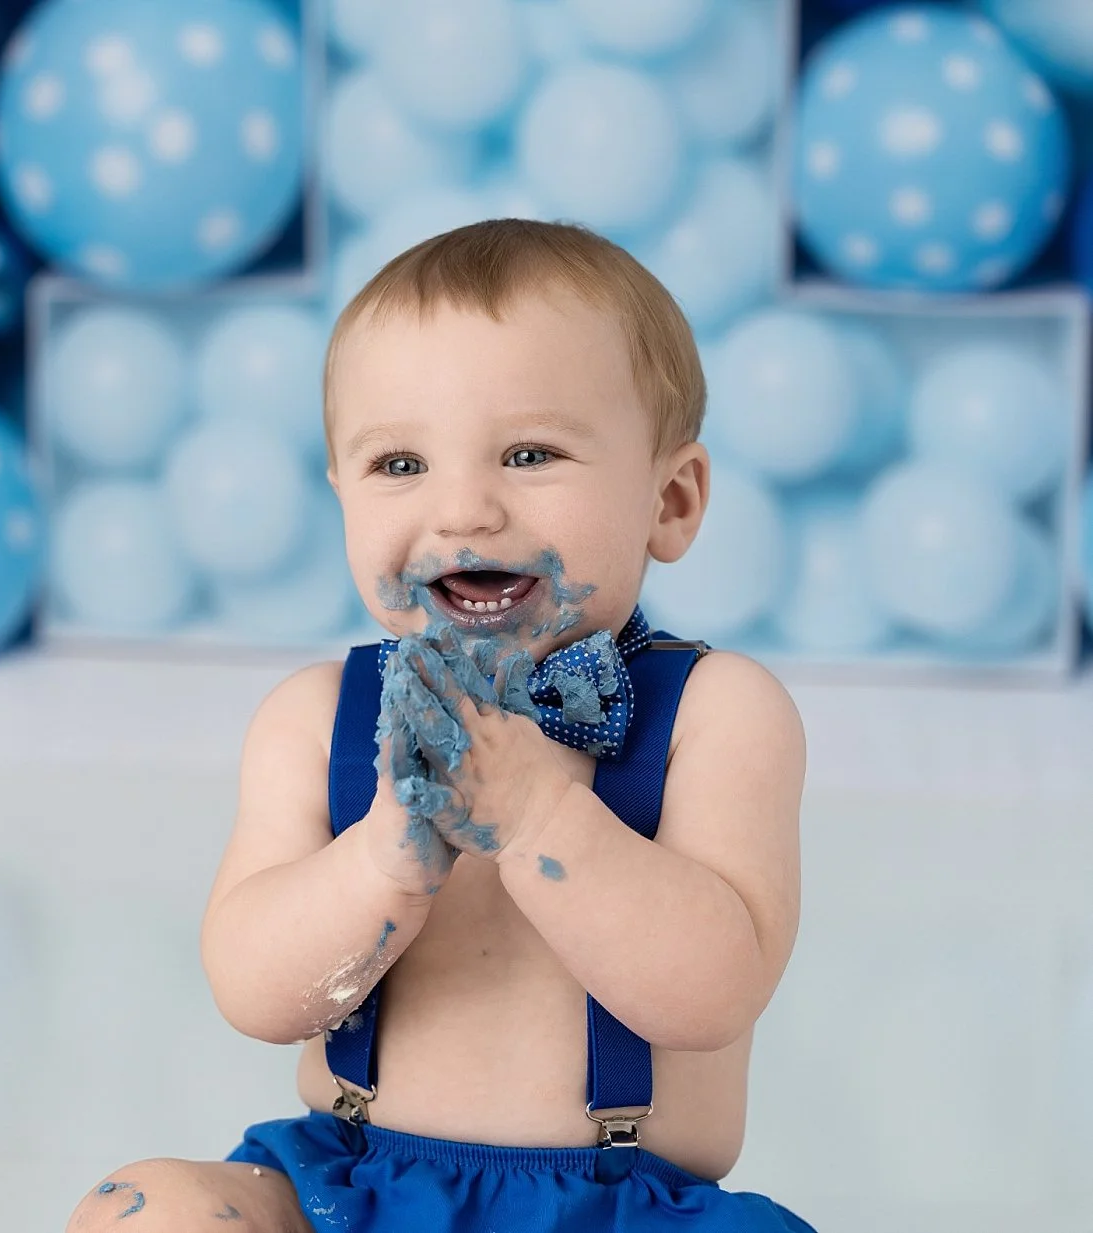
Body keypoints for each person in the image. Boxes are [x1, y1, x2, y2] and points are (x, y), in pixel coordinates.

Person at [66, 219, 813, 1232]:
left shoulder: (714, 715)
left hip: (623, 1205)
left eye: (529, 453)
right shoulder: (319, 717)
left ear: (669, 500)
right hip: (349, 1184)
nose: (463, 509)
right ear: (340, 496)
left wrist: (540, 819)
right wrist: (387, 859)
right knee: (144, 1208)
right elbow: (256, 994)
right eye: (400, 465)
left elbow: (713, 995)